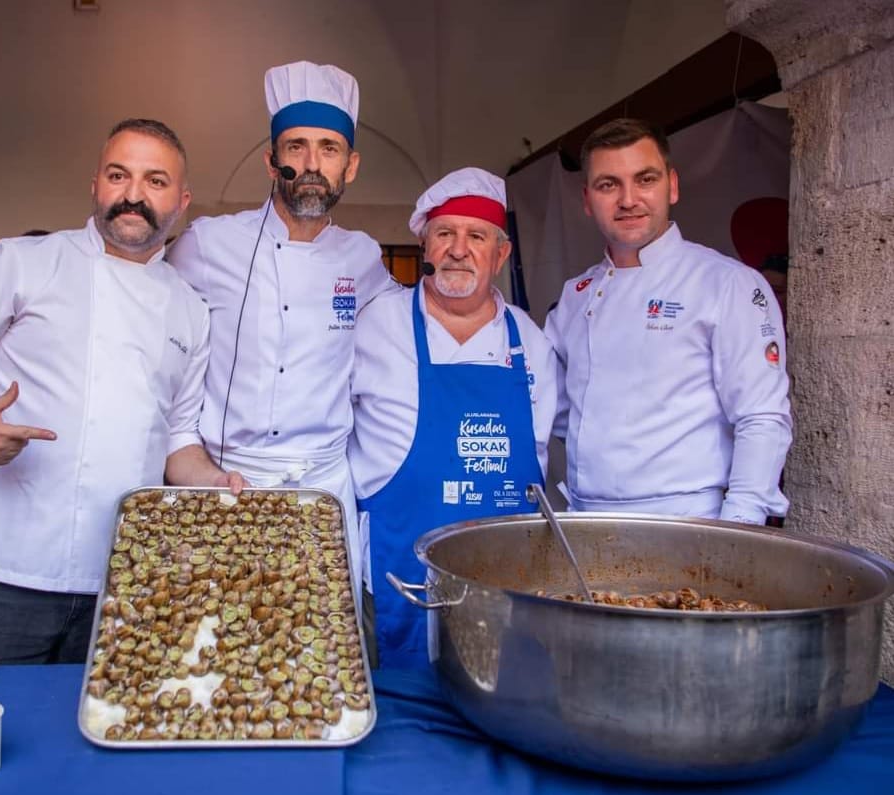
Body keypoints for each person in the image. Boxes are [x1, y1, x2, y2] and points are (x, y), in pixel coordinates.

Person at [0, 119, 242, 665]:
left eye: (155, 181)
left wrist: (218, 482)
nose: (133, 195)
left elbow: (178, 439)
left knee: (99, 743)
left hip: (126, 584)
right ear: (95, 185)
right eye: (118, 175)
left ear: (182, 201)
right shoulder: (23, 262)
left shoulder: (190, 310)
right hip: (0, 577)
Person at [166, 61, 398, 587]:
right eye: (296, 147)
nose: (312, 163)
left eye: (329, 148)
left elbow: (411, 327)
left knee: (326, 645)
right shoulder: (207, 244)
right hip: (225, 482)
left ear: (351, 165)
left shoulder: (363, 257)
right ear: (273, 162)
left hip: (323, 486)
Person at [349, 168, 558, 667]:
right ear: (426, 245)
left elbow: (544, 453)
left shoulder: (532, 342)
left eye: (476, 236)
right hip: (393, 577)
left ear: (501, 253)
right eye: (445, 234)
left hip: (506, 584)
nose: (459, 249)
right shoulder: (375, 324)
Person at [544, 118, 791, 523]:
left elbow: (761, 417)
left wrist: (739, 528)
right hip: (584, 518)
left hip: (689, 519)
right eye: (609, 185)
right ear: (587, 200)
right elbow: (558, 407)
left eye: (645, 179)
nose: (628, 200)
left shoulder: (727, 283)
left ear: (671, 186)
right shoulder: (576, 295)